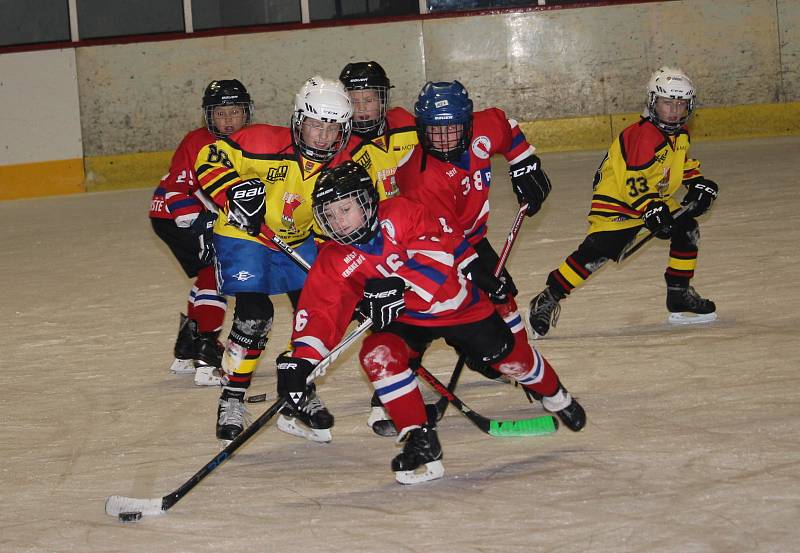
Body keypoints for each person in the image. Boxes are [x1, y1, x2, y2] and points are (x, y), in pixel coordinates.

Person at [277, 161, 585, 484]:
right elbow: (320, 315)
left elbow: (439, 258)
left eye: (345, 209)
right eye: (329, 215)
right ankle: (422, 441)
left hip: (458, 307)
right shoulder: (332, 260)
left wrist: (396, 287)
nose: (338, 222)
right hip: (407, 320)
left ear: (367, 201)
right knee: (377, 354)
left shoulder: (401, 213)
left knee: (513, 361)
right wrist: (301, 364)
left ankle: (556, 394)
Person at [365, 80, 553, 435]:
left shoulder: (483, 128)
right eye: (435, 132)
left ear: (467, 123)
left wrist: (524, 164)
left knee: (503, 297)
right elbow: (445, 241)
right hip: (427, 248)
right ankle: (386, 398)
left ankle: (523, 368)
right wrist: (473, 272)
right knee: (417, 321)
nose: (446, 140)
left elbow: (507, 127)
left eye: (453, 129)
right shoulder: (418, 178)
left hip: (470, 237)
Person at [195, 76, 353, 445]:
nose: (322, 137)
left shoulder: (344, 167)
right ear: (299, 120)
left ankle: (298, 389)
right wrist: (233, 190)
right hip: (244, 236)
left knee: (317, 315)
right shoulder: (262, 140)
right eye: (315, 124)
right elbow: (210, 157)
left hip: (300, 240)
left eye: (332, 128)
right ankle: (232, 397)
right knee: (254, 314)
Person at [528, 67, 719, 338]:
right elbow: (634, 180)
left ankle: (679, 294)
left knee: (687, 228)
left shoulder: (681, 134)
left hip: (652, 201)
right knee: (596, 253)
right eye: (668, 103)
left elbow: (677, 165)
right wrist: (652, 208)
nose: (675, 110)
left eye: (681, 104)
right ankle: (548, 296)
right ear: (653, 102)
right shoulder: (642, 135)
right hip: (617, 203)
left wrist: (696, 181)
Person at [149, 79, 253, 386]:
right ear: (209, 116)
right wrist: (199, 225)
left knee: (209, 275)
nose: (228, 120)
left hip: (194, 214)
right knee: (216, 274)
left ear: (246, 112)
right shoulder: (197, 141)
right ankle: (207, 356)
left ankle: (187, 348)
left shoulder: (251, 141)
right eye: (220, 113)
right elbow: (176, 190)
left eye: (234, 112)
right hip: (174, 215)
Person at [339, 61, 418, 200]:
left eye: (369, 100)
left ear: (382, 100)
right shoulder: (342, 145)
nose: (361, 108)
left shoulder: (405, 123)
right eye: (354, 101)